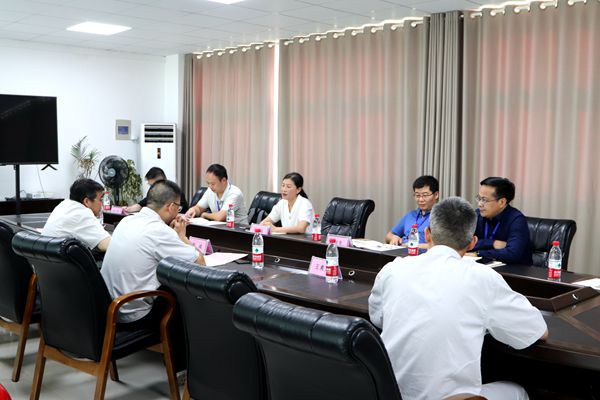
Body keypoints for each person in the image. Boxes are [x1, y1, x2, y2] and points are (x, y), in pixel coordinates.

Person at [369, 197, 547, 400]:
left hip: (387, 393)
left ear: (427, 234)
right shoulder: (482, 278)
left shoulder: (394, 269)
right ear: (472, 243)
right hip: (447, 398)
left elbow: (377, 318)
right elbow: (537, 331)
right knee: (517, 391)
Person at [101, 180, 204, 323]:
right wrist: (182, 237)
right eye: (178, 208)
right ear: (171, 207)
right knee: (183, 297)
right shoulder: (159, 231)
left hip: (108, 307)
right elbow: (200, 264)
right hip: (133, 313)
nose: (178, 212)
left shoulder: (126, 221)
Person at [471, 177, 532, 265]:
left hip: (512, 271)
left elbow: (512, 254)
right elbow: (462, 244)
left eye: (484, 200)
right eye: (479, 198)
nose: (479, 204)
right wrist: (492, 243)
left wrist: (478, 253)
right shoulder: (476, 215)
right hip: (483, 268)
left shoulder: (517, 220)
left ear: (502, 202)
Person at [42, 178, 111, 252]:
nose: (102, 204)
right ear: (87, 201)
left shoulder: (63, 205)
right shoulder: (81, 213)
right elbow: (108, 245)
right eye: (100, 199)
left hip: (48, 256)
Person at [385, 175, 439, 247]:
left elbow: (442, 247)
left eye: (425, 195)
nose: (420, 199)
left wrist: (411, 246)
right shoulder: (410, 215)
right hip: (402, 251)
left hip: (421, 253)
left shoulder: (441, 217)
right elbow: (388, 236)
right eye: (417, 195)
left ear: (436, 195)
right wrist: (394, 237)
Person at [125, 167, 189, 214]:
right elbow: (141, 204)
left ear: (163, 181)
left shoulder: (175, 191)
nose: (153, 188)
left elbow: (184, 211)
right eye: (150, 185)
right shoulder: (153, 192)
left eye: (154, 185)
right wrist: (127, 209)